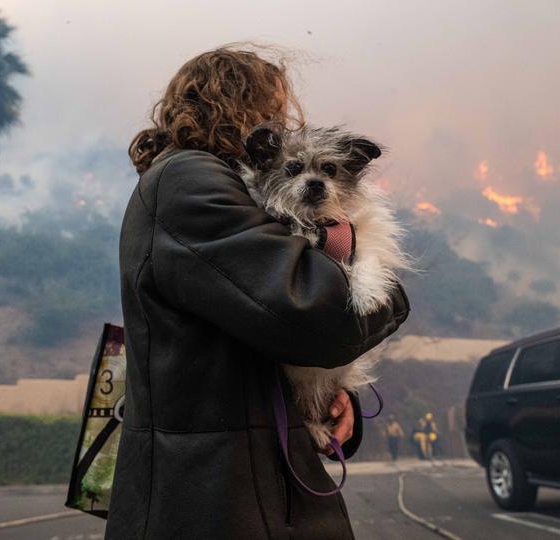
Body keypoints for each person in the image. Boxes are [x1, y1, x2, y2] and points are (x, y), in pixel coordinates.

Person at [105, 45, 410, 539]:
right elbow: (316, 315)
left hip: (233, 479)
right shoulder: (191, 180)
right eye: (274, 106)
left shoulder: (205, 185)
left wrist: (326, 401)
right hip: (221, 495)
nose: (283, 122)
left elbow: (261, 323)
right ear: (241, 105)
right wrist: (390, 292)